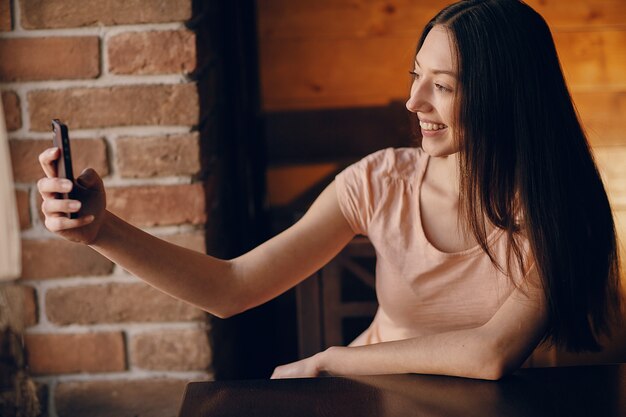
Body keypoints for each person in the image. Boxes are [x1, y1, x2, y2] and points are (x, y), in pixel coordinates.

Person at [37, 0, 622, 380]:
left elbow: (492, 354)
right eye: (415, 75)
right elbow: (232, 287)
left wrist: (335, 361)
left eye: (441, 86)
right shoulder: (378, 182)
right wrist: (102, 232)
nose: (414, 103)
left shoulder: (556, 204)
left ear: (505, 100)